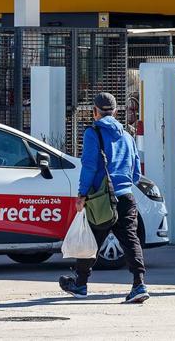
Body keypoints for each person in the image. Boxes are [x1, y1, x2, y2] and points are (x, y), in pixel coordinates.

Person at [59, 92, 149, 304]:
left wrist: (82, 194)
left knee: (91, 239)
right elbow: (136, 173)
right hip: (126, 197)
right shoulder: (127, 136)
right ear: (116, 112)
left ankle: (80, 284)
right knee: (130, 240)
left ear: (95, 112)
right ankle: (139, 284)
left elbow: (89, 166)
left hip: (101, 199)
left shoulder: (93, 133)